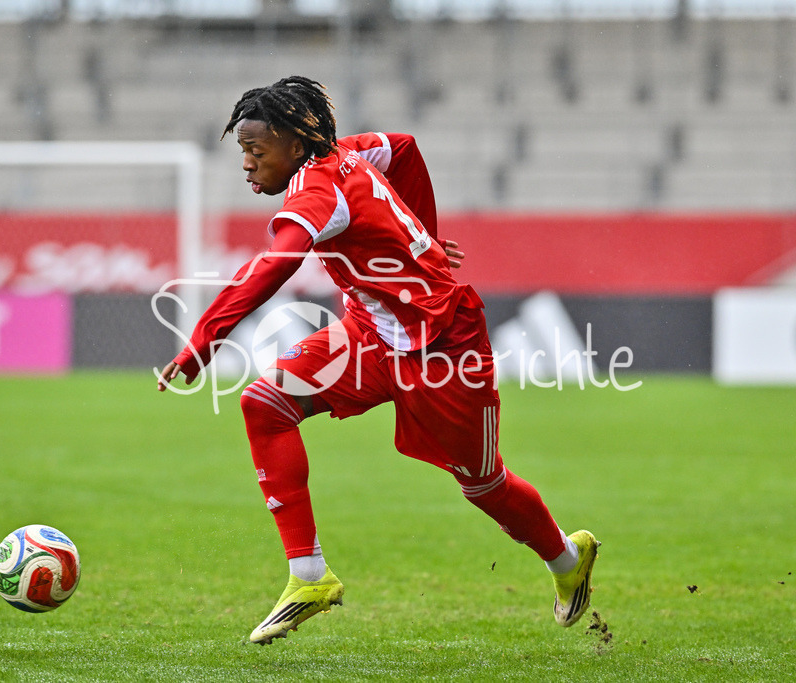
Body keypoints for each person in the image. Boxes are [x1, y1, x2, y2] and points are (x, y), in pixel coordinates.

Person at [157, 76, 599, 645]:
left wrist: (203, 341)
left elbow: (272, 267)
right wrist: (425, 236)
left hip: (443, 345)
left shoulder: (316, 192)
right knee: (264, 402)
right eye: (242, 150)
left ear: (295, 144)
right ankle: (308, 575)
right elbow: (405, 148)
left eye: (254, 150)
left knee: (484, 485)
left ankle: (566, 559)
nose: (245, 163)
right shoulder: (348, 152)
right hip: (369, 336)